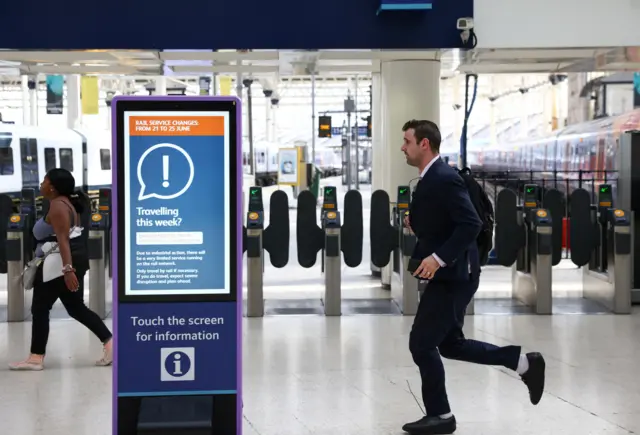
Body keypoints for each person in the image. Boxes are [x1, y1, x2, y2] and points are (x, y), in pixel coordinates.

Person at [399, 120, 545, 434]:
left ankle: (441, 416)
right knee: (450, 345)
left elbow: (470, 223)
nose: (403, 147)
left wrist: (437, 258)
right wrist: (419, 223)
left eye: (407, 141)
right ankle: (524, 364)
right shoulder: (430, 178)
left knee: (422, 343)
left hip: (454, 275)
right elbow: (448, 221)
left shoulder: (443, 178)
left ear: (425, 144)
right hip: (452, 274)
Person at [9, 168, 113, 371]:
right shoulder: (66, 204)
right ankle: (110, 343)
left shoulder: (57, 207)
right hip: (68, 261)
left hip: (56, 265)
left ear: (53, 187)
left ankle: (35, 357)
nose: (41, 184)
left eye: (45, 181)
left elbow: (63, 240)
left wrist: (67, 270)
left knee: (40, 308)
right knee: (75, 308)